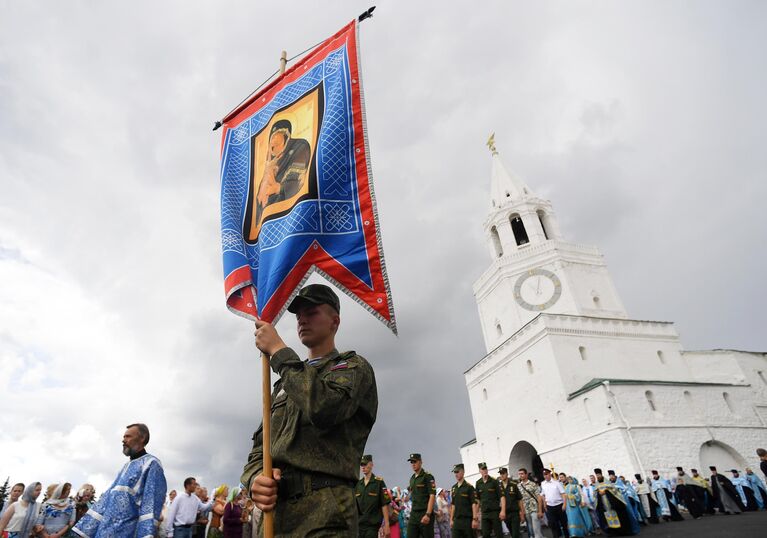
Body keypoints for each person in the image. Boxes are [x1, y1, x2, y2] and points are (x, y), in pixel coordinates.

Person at [243, 283, 378, 536]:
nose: (302, 320)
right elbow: (260, 447)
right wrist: (255, 480)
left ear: (334, 321)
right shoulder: (285, 382)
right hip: (277, 515)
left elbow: (325, 408)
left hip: (325, 514)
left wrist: (279, 352)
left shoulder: (353, 367)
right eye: (298, 315)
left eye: (312, 312)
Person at [73, 423, 166, 538]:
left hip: (127, 532)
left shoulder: (151, 464)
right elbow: (107, 498)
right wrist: (88, 528)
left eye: (128, 436)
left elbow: (151, 503)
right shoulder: (126, 466)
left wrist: (145, 534)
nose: (123, 440)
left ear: (142, 438)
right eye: (123, 437)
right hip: (104, 531)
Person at [253, 118, 313, 234]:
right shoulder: (270, 161)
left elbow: (299, 181)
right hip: (270, 224)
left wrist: (278, 188)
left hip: (292, 220)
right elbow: (260, 199)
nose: (273, 146)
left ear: (286, 136)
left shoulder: (299, 146)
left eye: (277, 139)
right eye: (272, 141)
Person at [592, 469, 638, 536]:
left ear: (601, 475)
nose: (598, 476)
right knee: (608, 518)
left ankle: (620, 531)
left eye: (599, 475)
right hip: (604, 505)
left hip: (612, 504)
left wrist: (606, 491)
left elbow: (615, 491)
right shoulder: (596, 485)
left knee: (617, 516)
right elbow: (594, 494)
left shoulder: (608, 483)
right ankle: (612, 532)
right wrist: (598, 493)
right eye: (597, 475)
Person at [354, 455, 391, 538]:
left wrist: (387, 524)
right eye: (362, 465)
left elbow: (384, 504)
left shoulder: (379, 483)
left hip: (372, 526)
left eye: (365, 464)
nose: (363, 467)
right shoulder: (358, 484)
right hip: (359, 525)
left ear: (371, 465)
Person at [407, 454, 436, 538]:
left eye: (415, 462)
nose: (413, 464)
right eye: (411, 462)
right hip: (414, 514)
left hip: (425, 512)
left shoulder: (428, 476)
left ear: (420, 462)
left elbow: (432, 495)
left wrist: (428, 514)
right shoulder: (412, 478)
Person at [474, 463, 504, 538]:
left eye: (485, 469)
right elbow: (477, 500)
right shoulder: (478, 483)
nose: (485, 471)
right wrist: (476, 513)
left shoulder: (494, 481)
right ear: (480, 471)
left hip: (495, 512)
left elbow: (502, 497)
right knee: (485, 534)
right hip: (484, 513)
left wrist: (503, 510)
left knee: (498, 534)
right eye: (483, 469)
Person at [449, 464, 478, 538]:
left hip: (467, 520)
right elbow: (453, 504)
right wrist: (451, 519)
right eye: (455, 472)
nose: (456, 474)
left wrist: (474, 519)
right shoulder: (453, 488)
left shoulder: (469, 487)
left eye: (457, 472)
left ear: (463, 472)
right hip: (457, 521)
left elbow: (474, 504)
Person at [540, 469, 568, 538]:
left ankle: (567, 535)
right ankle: (556, 536)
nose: (545, 476)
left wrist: (564, 504)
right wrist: (544, 505)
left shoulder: (557, 483)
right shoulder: (543, 483)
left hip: (559, 505)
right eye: (544, 475)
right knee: (553, 524)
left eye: (546, 474)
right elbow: (543, 495)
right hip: (550, 506)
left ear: (550, 474)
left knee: (563, 523)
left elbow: (563, 494)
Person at [517, 468, 544, 538]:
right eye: (519, 474)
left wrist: (540, 510)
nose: (521, 475)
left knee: (536, 527)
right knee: (530, 528)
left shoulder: (533, 484)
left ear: (526, 474)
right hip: (526, 509)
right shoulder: (518, 486)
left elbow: (539, 497)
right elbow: (519, 500)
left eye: (522, 474)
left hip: (534, 508)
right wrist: (521, 512)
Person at [498, 468, 523, 538]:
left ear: (507, 474)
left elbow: (519, 499)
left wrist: (522, 512)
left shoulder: (513, 484)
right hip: (505, 514)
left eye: (503, 473)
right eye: (500, 474)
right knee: (512, 533)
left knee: (515, 534)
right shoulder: (498, 486)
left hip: (514, 512)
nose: (502, 475)